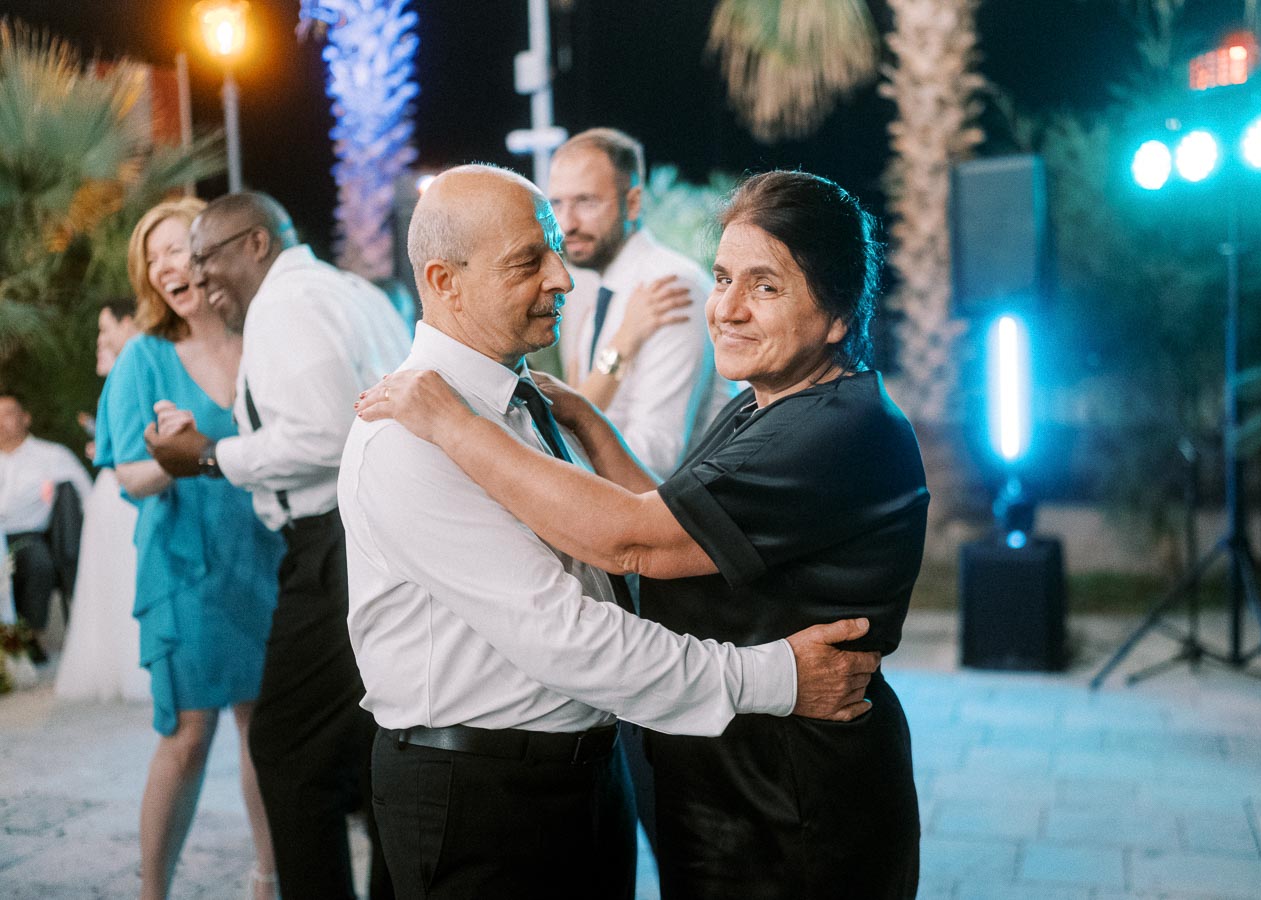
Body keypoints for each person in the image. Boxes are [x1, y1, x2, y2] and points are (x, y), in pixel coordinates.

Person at [357, 169, 929, 898]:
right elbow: (675, 517)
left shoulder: (834, 430)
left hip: (795, 798)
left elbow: (636, 542)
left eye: (767, 286)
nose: (726, 308)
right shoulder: (767, 404)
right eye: (723, 277)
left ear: (840, 313)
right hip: (723, 781)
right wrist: (589, 422)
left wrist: (455, 424)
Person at [145, 191, 407, 900]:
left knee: (285, 750)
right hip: (372, 536)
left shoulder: (285, 305)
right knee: (363, 744)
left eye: (207, 257)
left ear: (256, 244)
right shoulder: (350, 290)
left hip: (333, 547)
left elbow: (324, 437)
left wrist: (207, 456)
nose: (198, 279)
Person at [96, 198, 284, 900]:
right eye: (153, 257)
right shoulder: (144, 358)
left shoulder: (263, 338)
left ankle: (268, 880)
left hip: (270, 554)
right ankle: (153, 892)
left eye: (178, 248)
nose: (167, 266)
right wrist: (169, 457)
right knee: (189, 731)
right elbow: (129, 475)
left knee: (263, 728)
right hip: (190, 565)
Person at [551, 127, 733, 481]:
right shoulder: (598, 289)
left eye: (586, 202)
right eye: (557, 203)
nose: (566, 224)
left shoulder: (671, 286)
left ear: (633, 202)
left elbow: (655, 457)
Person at [55, 298, 149, 703]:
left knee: (124, 577)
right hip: (115, 489)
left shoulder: (133, 365)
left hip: (122, 488)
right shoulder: (129, 368)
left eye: (105, 327)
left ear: (127, 322)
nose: (101, 338)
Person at [0, 392, 92, 663]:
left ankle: (31, 639)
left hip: (27, 534)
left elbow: (85, 496)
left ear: (25, 418)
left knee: (38, 563)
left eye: (7, 414)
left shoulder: (51, 455)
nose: (1, 422)